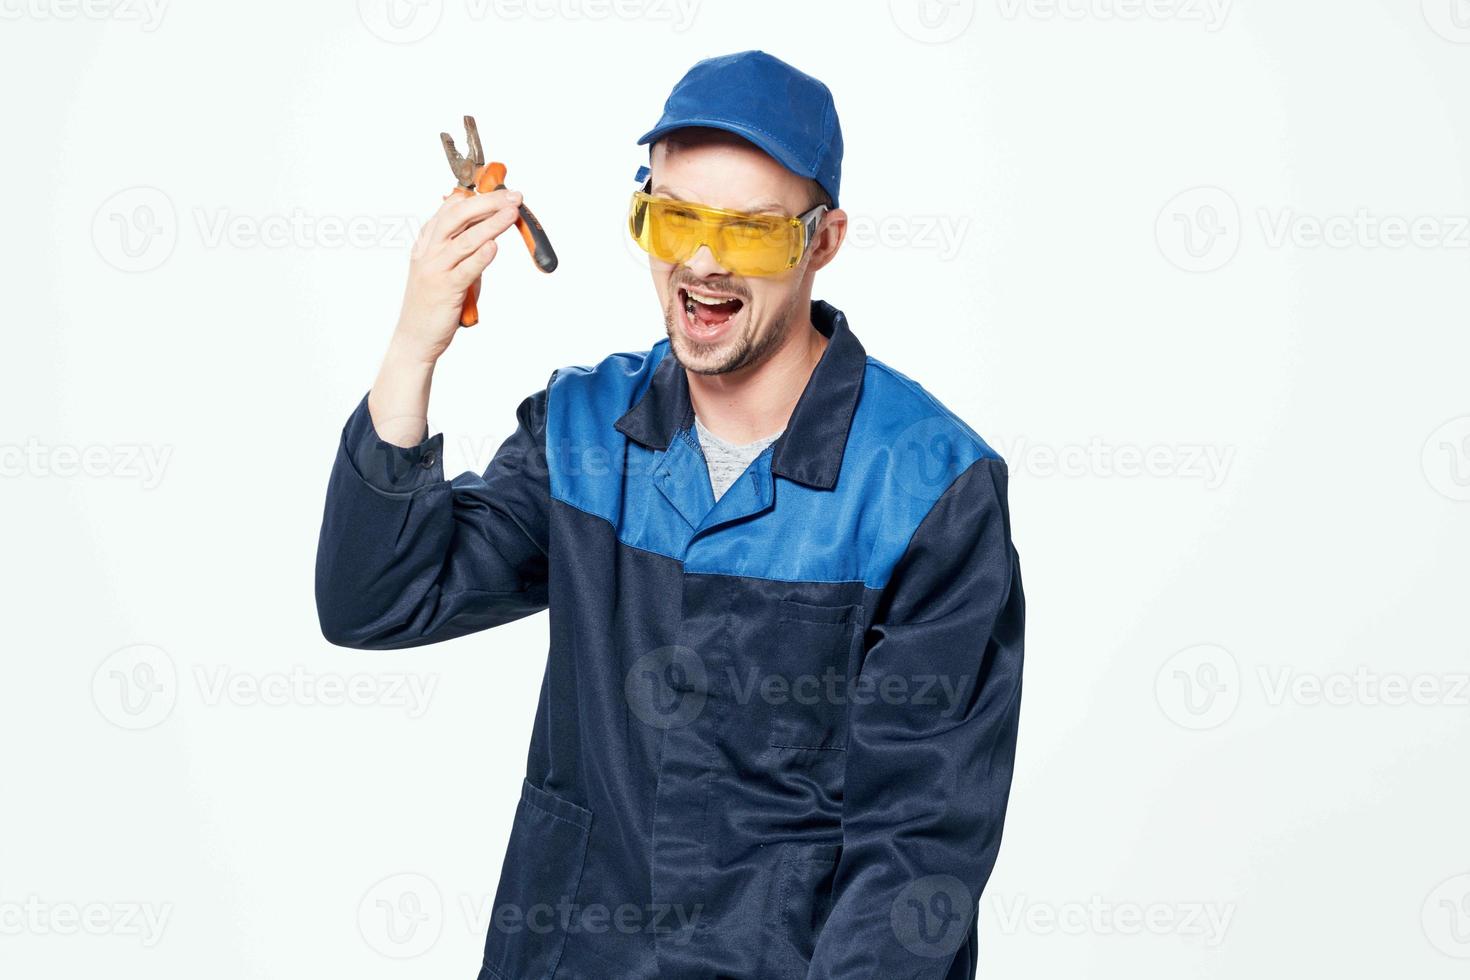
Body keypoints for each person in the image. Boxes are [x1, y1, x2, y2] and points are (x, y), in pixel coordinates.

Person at [316, 49, 1025, 980]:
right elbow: (376, 602)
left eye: (752, 233)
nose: (701, 261)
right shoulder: (584, 434)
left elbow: (918, 847)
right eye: (675, 216)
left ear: (826, 239)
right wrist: (416, 343)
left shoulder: (926, 487)